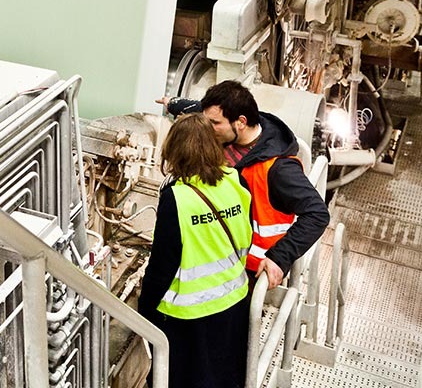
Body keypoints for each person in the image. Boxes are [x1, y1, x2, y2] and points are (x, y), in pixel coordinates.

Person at [157, 81, 330, 290]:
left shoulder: (279, 170)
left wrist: (279, 258)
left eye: (213, 123)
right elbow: (209, 112)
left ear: (241, 122)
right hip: (215, 253)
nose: (205, 128)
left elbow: (318, 213)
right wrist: (176, 104)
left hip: (249, 272)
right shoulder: (234, 128)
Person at [138, 113, 253, 388]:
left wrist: (145, 309)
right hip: (235, 302)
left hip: (189, 319)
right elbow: (246, 233)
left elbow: (162, 267)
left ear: (175, 152)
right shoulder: (236, 180)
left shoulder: (176, 199)